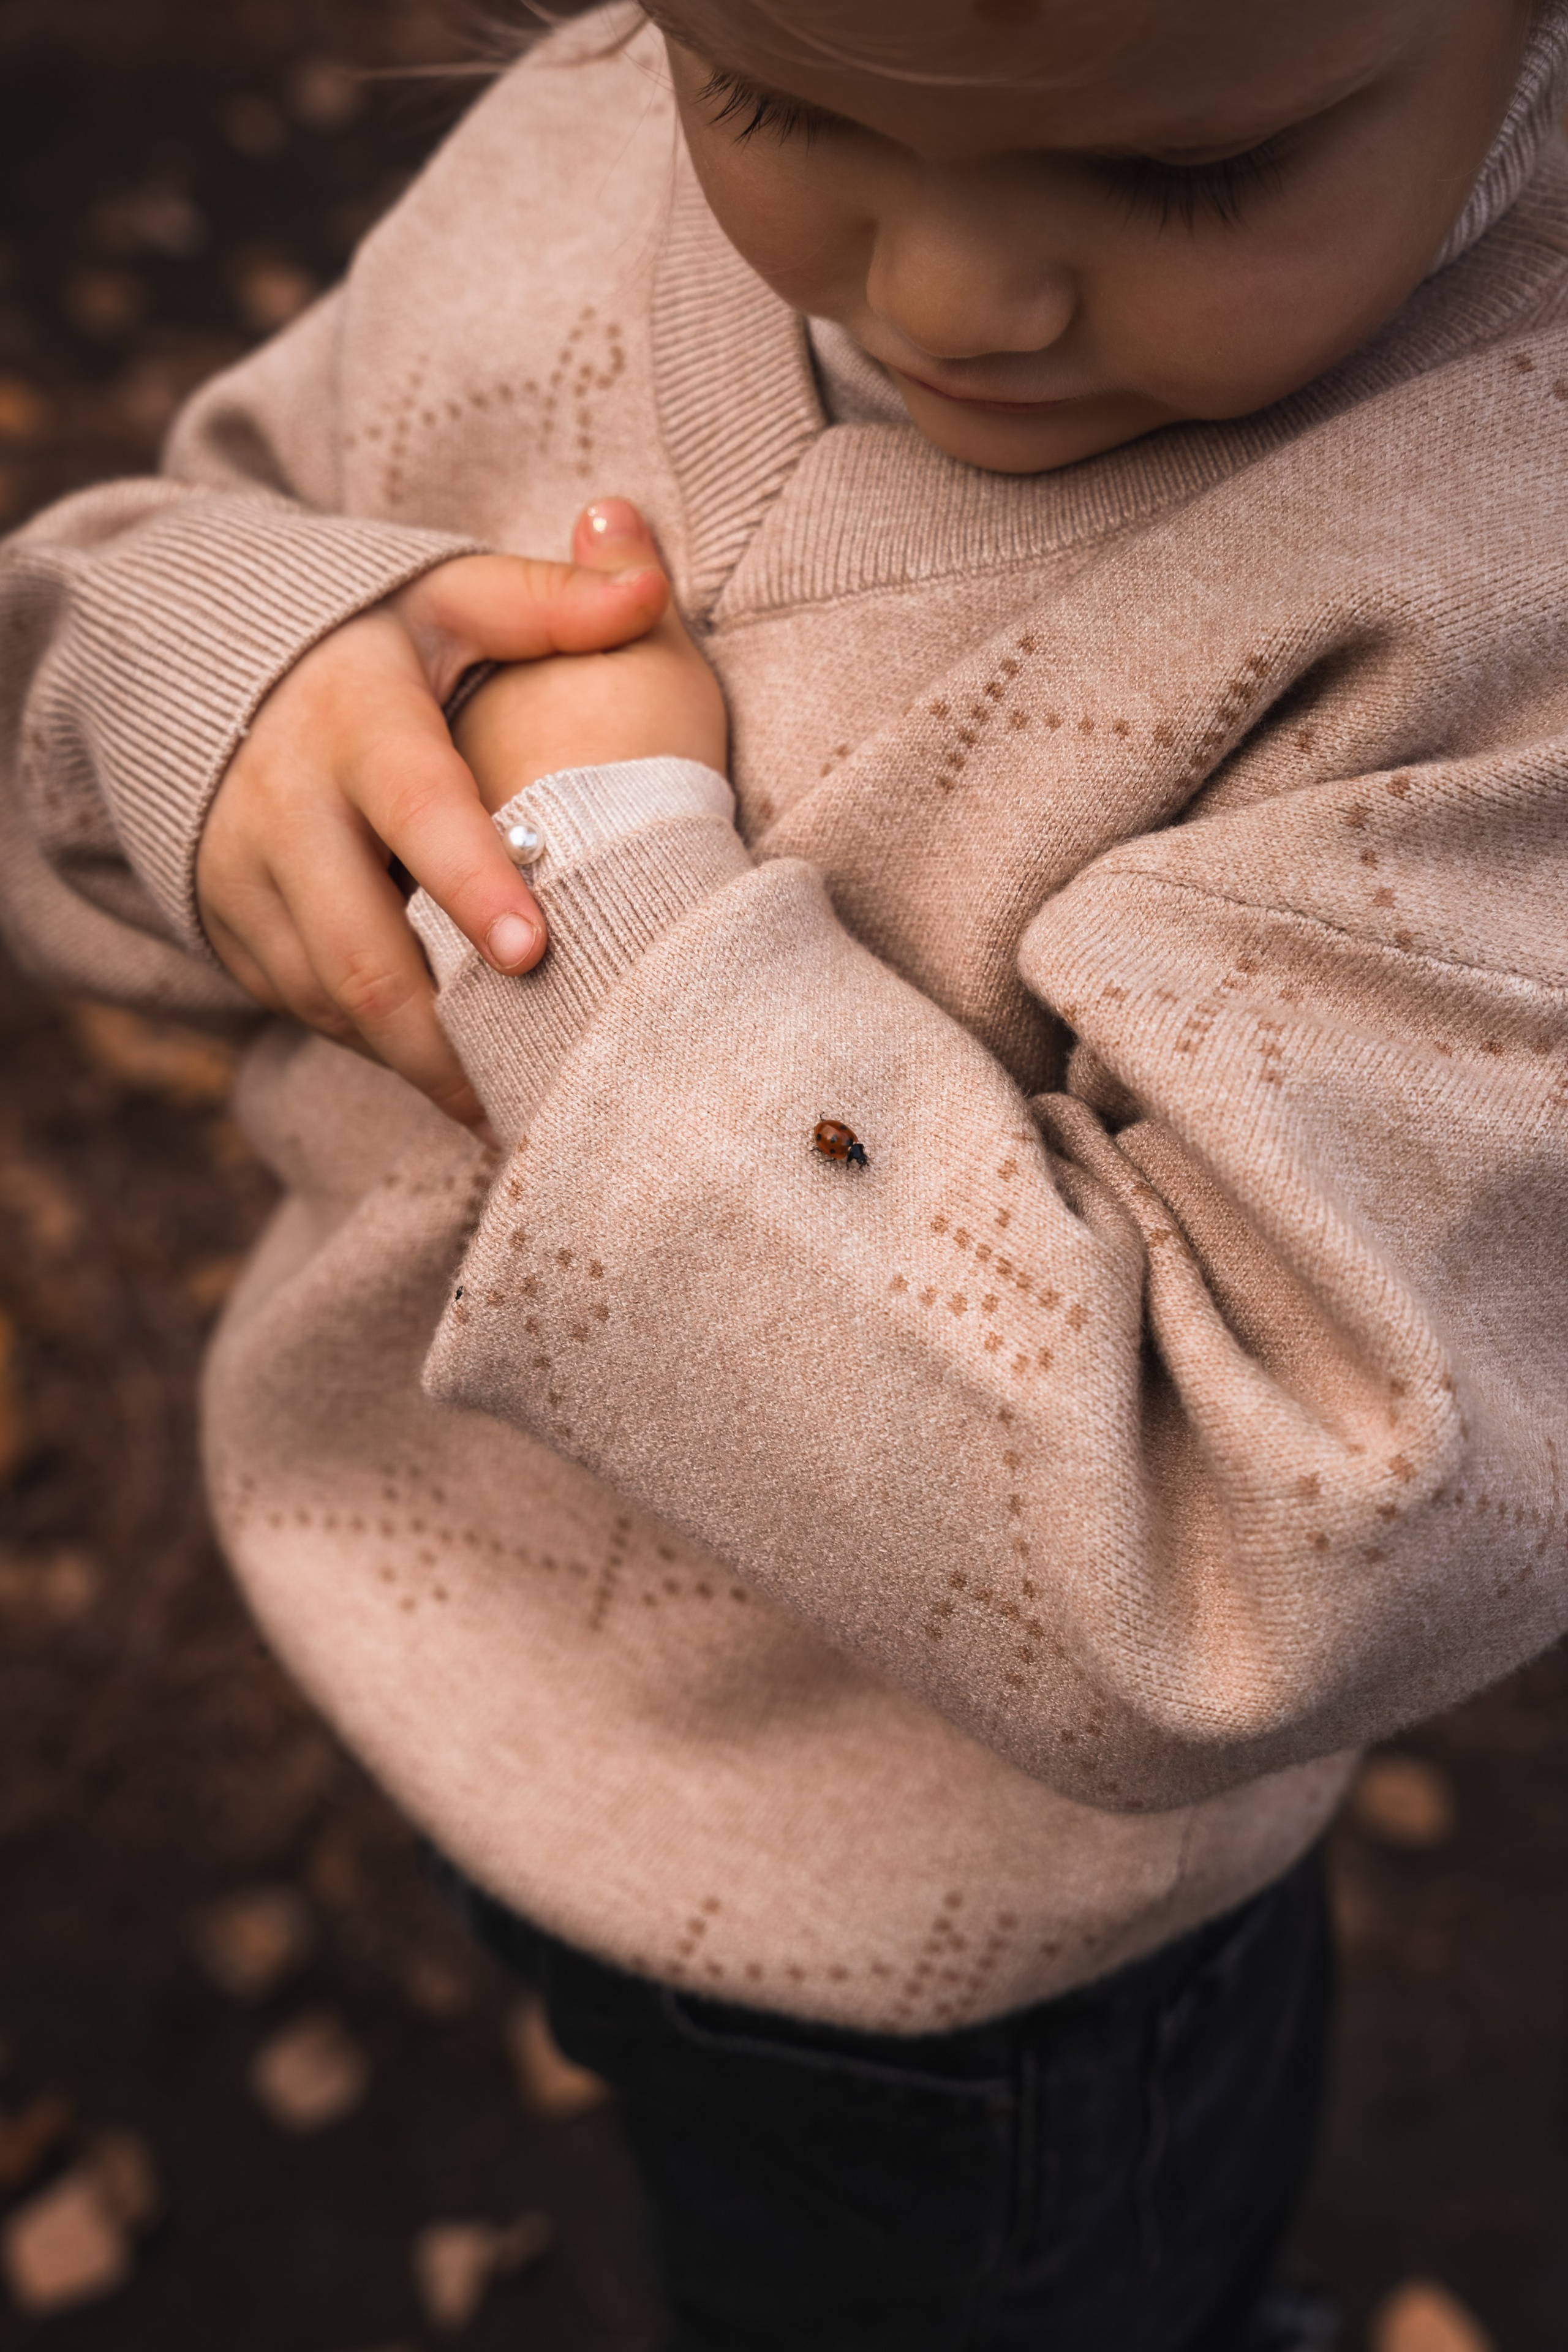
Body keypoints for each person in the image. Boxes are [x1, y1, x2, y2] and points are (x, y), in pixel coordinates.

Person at [4, 0, 1567, 2340]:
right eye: (785, 111)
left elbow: (1278, 1521)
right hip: (470, 1685)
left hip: (969, 1996)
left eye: (1179, 178)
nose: (944, 294)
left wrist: (594, 895)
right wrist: (219, 678)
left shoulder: (1490, 588)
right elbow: (155, 598)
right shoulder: (569, 149)